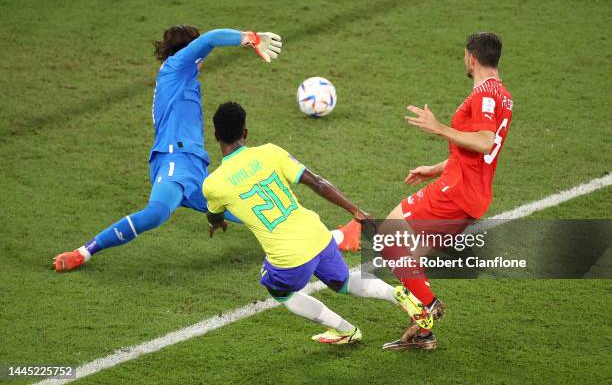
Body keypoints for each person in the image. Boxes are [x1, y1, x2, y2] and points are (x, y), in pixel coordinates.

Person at [53, 26, 283, 272]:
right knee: (157, 213)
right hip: (177, 161)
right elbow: (212, 38)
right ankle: (82, 253)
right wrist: (251, 38)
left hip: (193, 167)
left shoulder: (180, 76)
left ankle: (322, 239)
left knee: (245, 203)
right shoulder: (177, 66)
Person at [203, 101, 426, 344]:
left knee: (279, 290)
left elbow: (214, 215)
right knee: (343, 282)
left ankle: (345, 330)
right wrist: (355, 210)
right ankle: (395, 294)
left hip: (287, 257)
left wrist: (217, 222)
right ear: (245, 132)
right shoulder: (270, 151)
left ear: (215, 135)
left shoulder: (213, 184)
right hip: (318, 234)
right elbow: (317, 182)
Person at [380, 32, 513, 350]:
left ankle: (430, 305)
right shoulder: (502, 94)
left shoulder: (484, 94)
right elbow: (480, 153)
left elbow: (483, 141)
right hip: (472, 194)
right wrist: (437, 167)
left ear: (472, 57)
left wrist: (438, 127)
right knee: (411, 259)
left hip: (455, 193)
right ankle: (424, 334)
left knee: (388, 239)